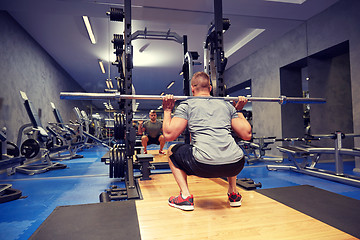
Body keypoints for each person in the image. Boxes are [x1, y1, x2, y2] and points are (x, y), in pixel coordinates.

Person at [162, 72, 252, 211]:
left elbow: (169, 135)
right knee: (228, 146)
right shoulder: (227, 105)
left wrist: (167, 110)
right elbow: (247, 134)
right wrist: (238, 110)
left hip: (203, 165)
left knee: (171, 150)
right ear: (210, 88)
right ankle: (233, 193)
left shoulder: (187, 105)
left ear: (192, 88)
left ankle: (185, 196)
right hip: (236, 164)